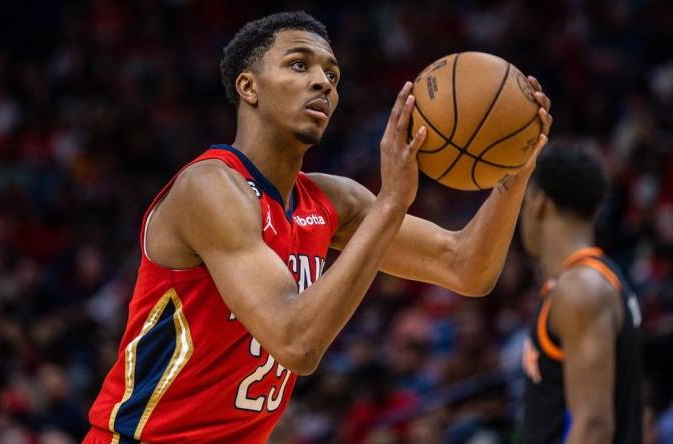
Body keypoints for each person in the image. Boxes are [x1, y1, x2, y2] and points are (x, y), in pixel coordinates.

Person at [84, 11, 552, 444]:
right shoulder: (210, 188)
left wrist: (513, 172)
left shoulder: (333, 201)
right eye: (298, 64)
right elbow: (296, 343)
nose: (322, 82)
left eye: (332, 74)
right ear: (249, 87)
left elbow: (467, 268)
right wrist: (391, 202)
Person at [519, 144, 642, 443]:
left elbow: (594, 426)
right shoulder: (591, 281)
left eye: (522, 203)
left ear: (539, 202)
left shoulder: (581, 290)